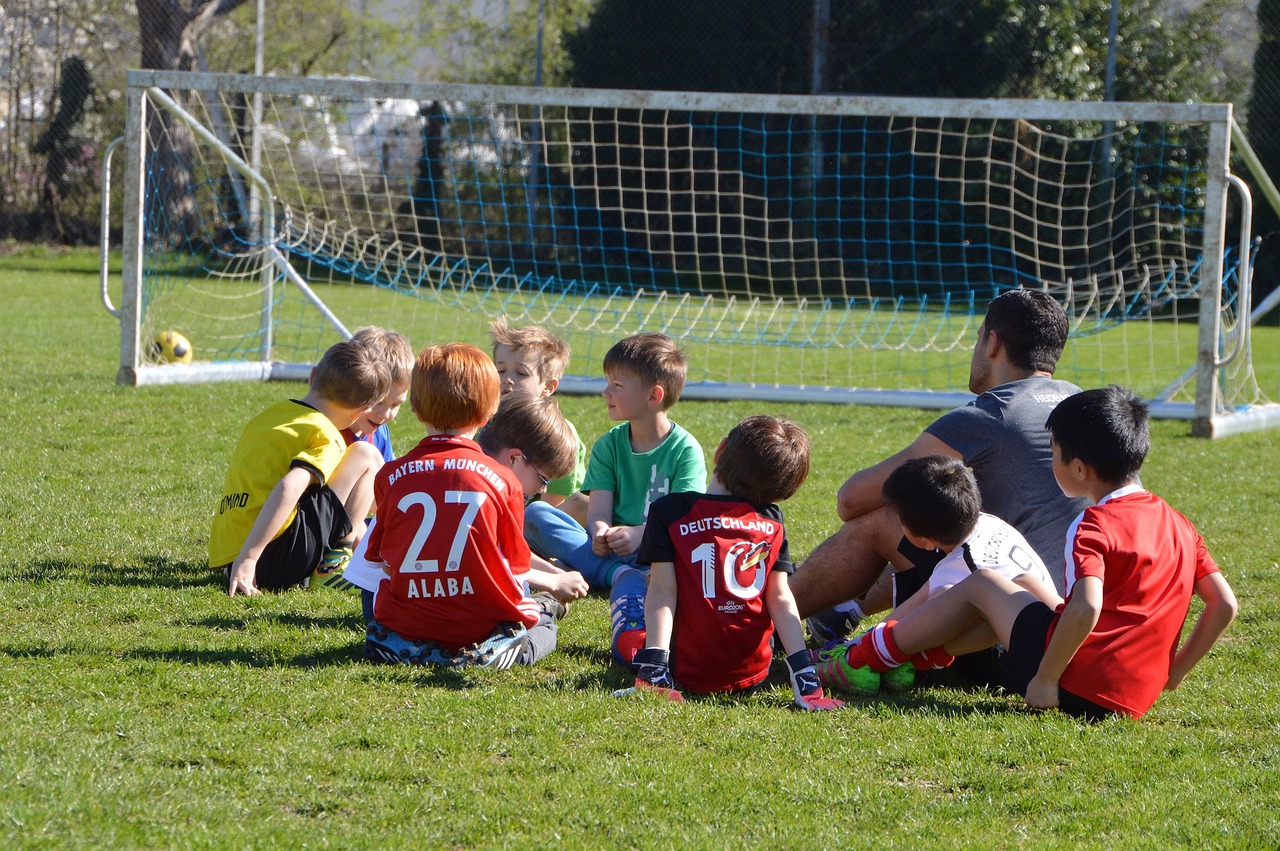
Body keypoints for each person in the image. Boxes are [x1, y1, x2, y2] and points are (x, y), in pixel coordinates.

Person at [818, 386, 1238, 720]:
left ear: (1078, 468)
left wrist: (1045, 680)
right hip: (1134, 696)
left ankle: (860, 658)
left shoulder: (1094, 525)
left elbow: (1086, 608)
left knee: (981, 583)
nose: (1050, 460)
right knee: (1014, 602)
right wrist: (1175, 672)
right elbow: (1224, 604)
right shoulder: (1179, 523)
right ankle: (905, 660)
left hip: (1075, 684)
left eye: (1053, 452)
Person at [794, 289, 1089, 643]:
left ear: (993, 342)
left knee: (888, 516)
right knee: (949, 520)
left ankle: (759, 621)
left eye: (978, 337)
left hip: (1009, 626)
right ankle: (845, 610)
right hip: (1076, 623)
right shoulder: (1082, 404)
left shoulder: (992, 415)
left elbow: (851, 500)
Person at [612, 416, 843, 711]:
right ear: (781, 491)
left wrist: (655, 668)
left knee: (630, 581)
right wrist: (805, 675)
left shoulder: (669, 512)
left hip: (684, 670)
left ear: (720, 450)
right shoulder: (772, 520)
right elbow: (781, 598)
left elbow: (662, 593)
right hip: (753, 673)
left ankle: (638, 646)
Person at [360, 344, 566, 669]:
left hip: (410, 623)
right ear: (489, 414)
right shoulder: (503, 480)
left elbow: (380, 561)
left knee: (387, 625)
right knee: (544, 627)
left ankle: (404, 647)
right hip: (479, 625)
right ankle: (497, 649)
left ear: (416, 409)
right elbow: (515, 566)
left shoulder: (390, 475)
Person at [814, 455, 1061, 693]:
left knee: (930, 623)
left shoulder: (960, 567)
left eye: (900, 520)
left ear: (924, 541)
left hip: (1013, 659)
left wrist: (863, 645)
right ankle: (878, 652)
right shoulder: (991, 523)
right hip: (1049, 631)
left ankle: (859, 660)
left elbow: (918, 615)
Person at [523, 332, 706, 590]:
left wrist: (640, 534)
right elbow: (597, 511)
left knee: (689, 554)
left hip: (658, 552)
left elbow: (683, 520)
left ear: (653, 396)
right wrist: (600, 532)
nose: (605, 392)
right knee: (536, 513)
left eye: (617, 385)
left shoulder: (685, 450)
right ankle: (619, 575)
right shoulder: (608, 445)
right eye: (607, 382)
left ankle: (592, 570)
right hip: (611, 550)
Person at [211, 338, 392, 596]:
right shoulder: (325, 434)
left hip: (229, 556)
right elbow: (289, 485)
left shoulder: (268, 416)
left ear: (313, 376)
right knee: (367, 455)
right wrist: (250, 558)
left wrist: (243, 556)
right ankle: (332, 566)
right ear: (359, 413)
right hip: (274, 559)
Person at [315, 326, 415, 593]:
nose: (386, 413)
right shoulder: (328, 426)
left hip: (354, 524)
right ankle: (331, 564)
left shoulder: (379, 432)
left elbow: (379, 502)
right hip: (316, 527)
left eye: (396, 405)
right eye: (378, 401)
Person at [489, 318, 589, 524]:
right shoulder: (487, 422)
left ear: (548, 387)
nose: (507, 379)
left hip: (547, 520)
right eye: (500, 370)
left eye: (521, 373)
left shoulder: (556, 433)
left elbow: (553, 504)